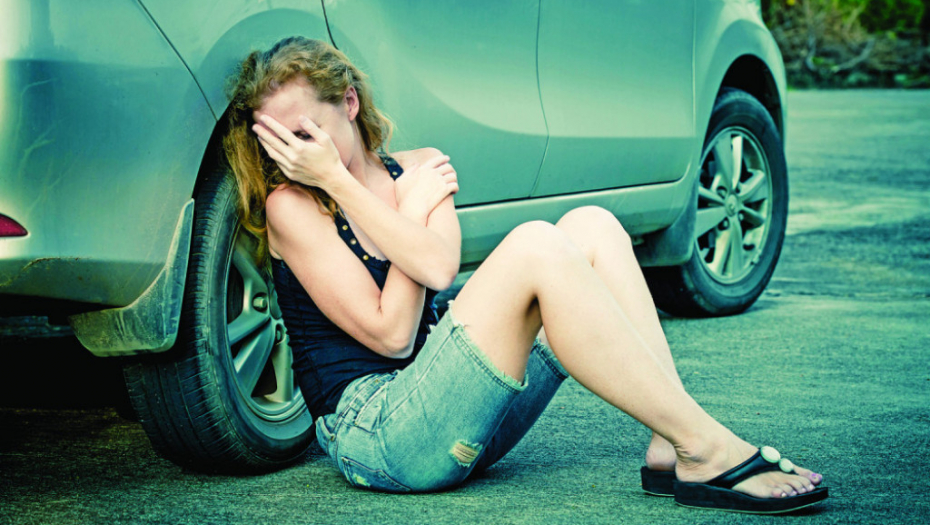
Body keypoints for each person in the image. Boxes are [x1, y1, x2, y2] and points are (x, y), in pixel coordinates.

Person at [223, 36, 828, 514]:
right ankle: (707, 446)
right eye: (278, 142)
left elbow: (436, 269)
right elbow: (394, 334)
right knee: (535, 244)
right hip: (381, 437)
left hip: (458, 412)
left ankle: (671, 442)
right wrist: (350, 186)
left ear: (349, 104)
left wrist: (386, 195)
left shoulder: (420, 169)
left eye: (306, 134)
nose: (296, 154)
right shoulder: (292, 207)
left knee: (593, 226)